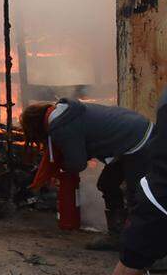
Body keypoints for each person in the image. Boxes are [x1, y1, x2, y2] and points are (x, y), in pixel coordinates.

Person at [20, 98, 152, 236]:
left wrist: (62, 167)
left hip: (137, 141)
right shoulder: (64, 112)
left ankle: (142, 241)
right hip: (133, 134)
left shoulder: (61, 126)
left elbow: (77, 163)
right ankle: (117, 234)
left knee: (137, 194)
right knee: (108, 183)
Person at [110, 89, 167, 275]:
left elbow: (162, 190)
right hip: (135, 142)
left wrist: (134, 256)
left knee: (134, 188)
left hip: (135, 145)